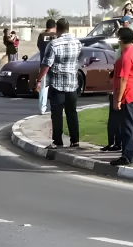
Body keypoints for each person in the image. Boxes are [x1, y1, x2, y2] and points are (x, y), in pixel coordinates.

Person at [37, 18, 82, 149]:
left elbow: (46, 64)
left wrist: (39, 79)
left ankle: (58, 141)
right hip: (72, 83)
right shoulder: (77, 43)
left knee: (57, 114)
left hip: (57, 83)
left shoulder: (54, 44)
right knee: (72, 112)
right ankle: (75, 140)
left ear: (57, 28)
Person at [110, 27, 133, 165]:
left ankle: (128, 156)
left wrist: (119, 99)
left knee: (128, 126)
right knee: (132, 125)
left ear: (121, 40)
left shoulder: (126, 56)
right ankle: (129, 154)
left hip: (129, 93)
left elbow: (123, 78)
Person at [36, 19, 57, 114]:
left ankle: (42, 108)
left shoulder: (41, 35)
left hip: (43, 64)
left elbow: (39, 46)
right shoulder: (56, 36)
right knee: (56, 87)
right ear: (54, 27)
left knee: (43, 87)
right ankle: (56, 107)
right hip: (55, 64)